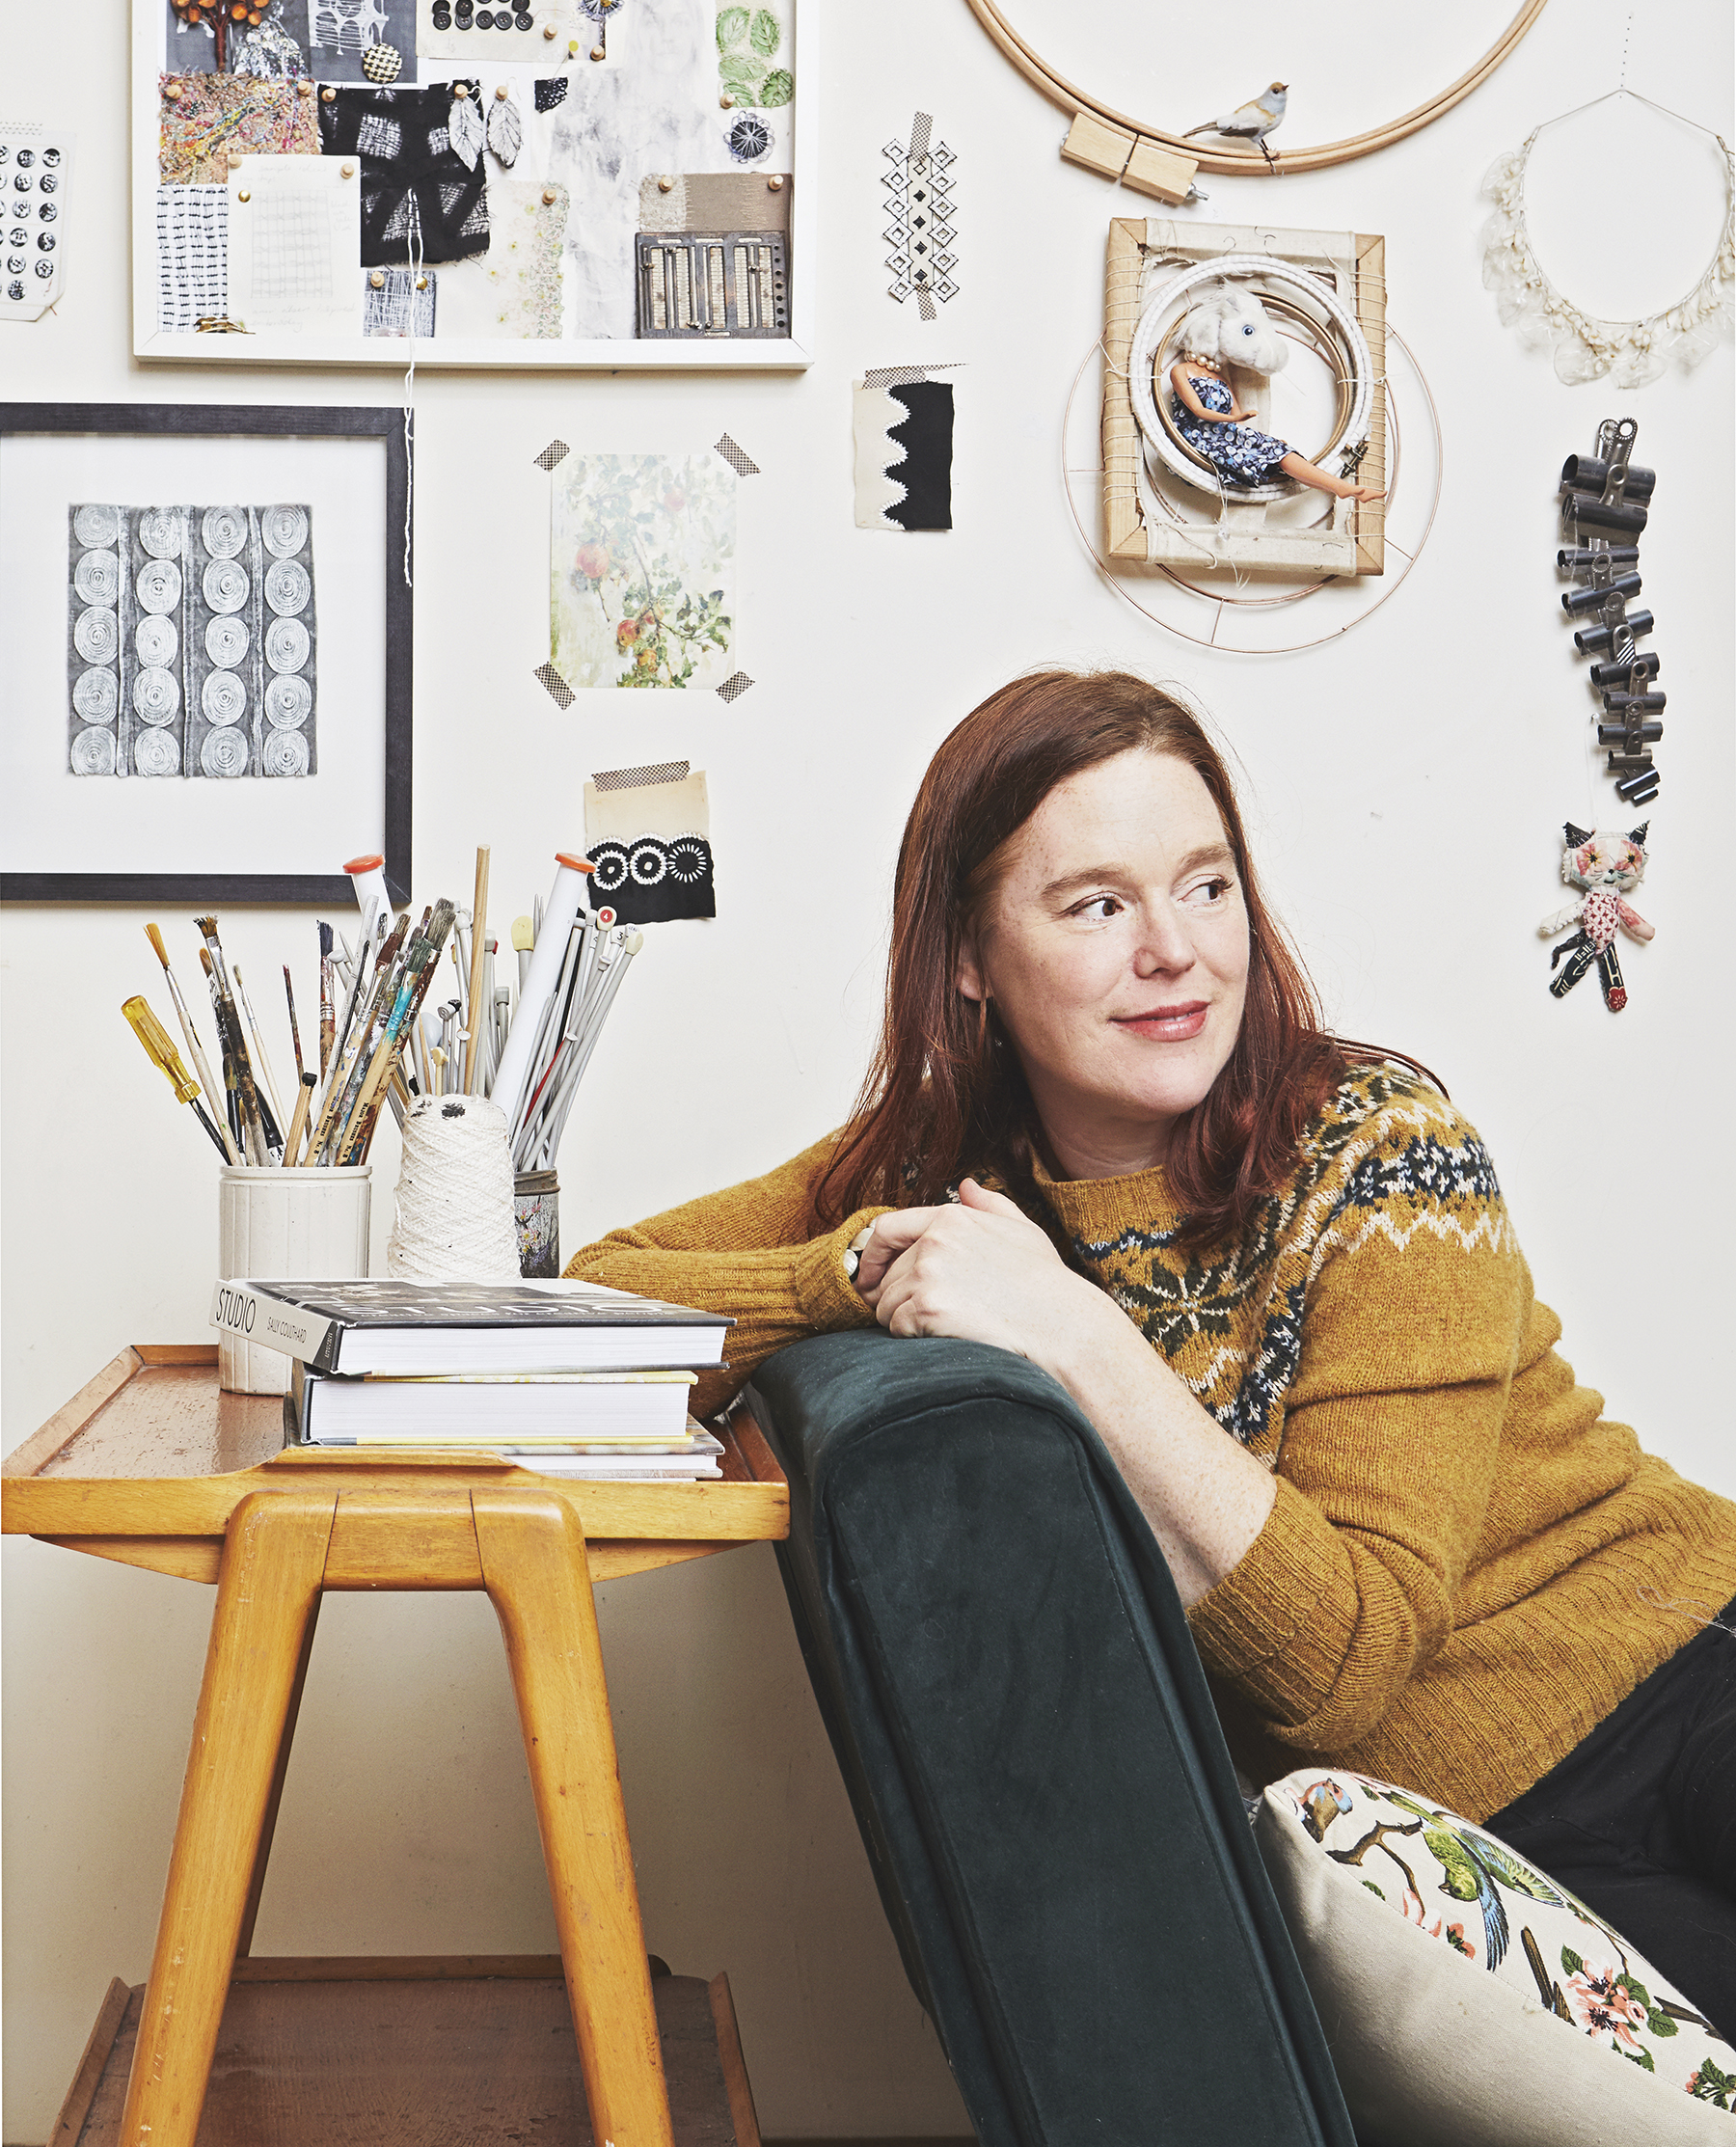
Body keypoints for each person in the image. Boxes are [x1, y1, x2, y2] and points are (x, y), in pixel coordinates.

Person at [566, 669, 1736, 2025]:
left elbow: (1345, 1662)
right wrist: (860, 1263)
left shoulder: (1384, 1152)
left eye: (1206, 885)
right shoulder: (948, 1172)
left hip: (1681, 1673)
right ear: (968, 957)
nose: (1176, 950)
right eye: (1097, 905)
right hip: (1470, 1854)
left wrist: (1071, 1331)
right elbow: (603, 1297)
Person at [1167, 353, 1384, 501]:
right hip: (1198, 438)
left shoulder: (1220, 376)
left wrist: (1260, 437)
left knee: (1279, 450)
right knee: (1266, 455)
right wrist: (1235, 419)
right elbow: (1198, 410)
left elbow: (1239, 422)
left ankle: (1340, 488)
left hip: (1226, 434)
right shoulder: (1180, 371)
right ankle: (1339, 487)